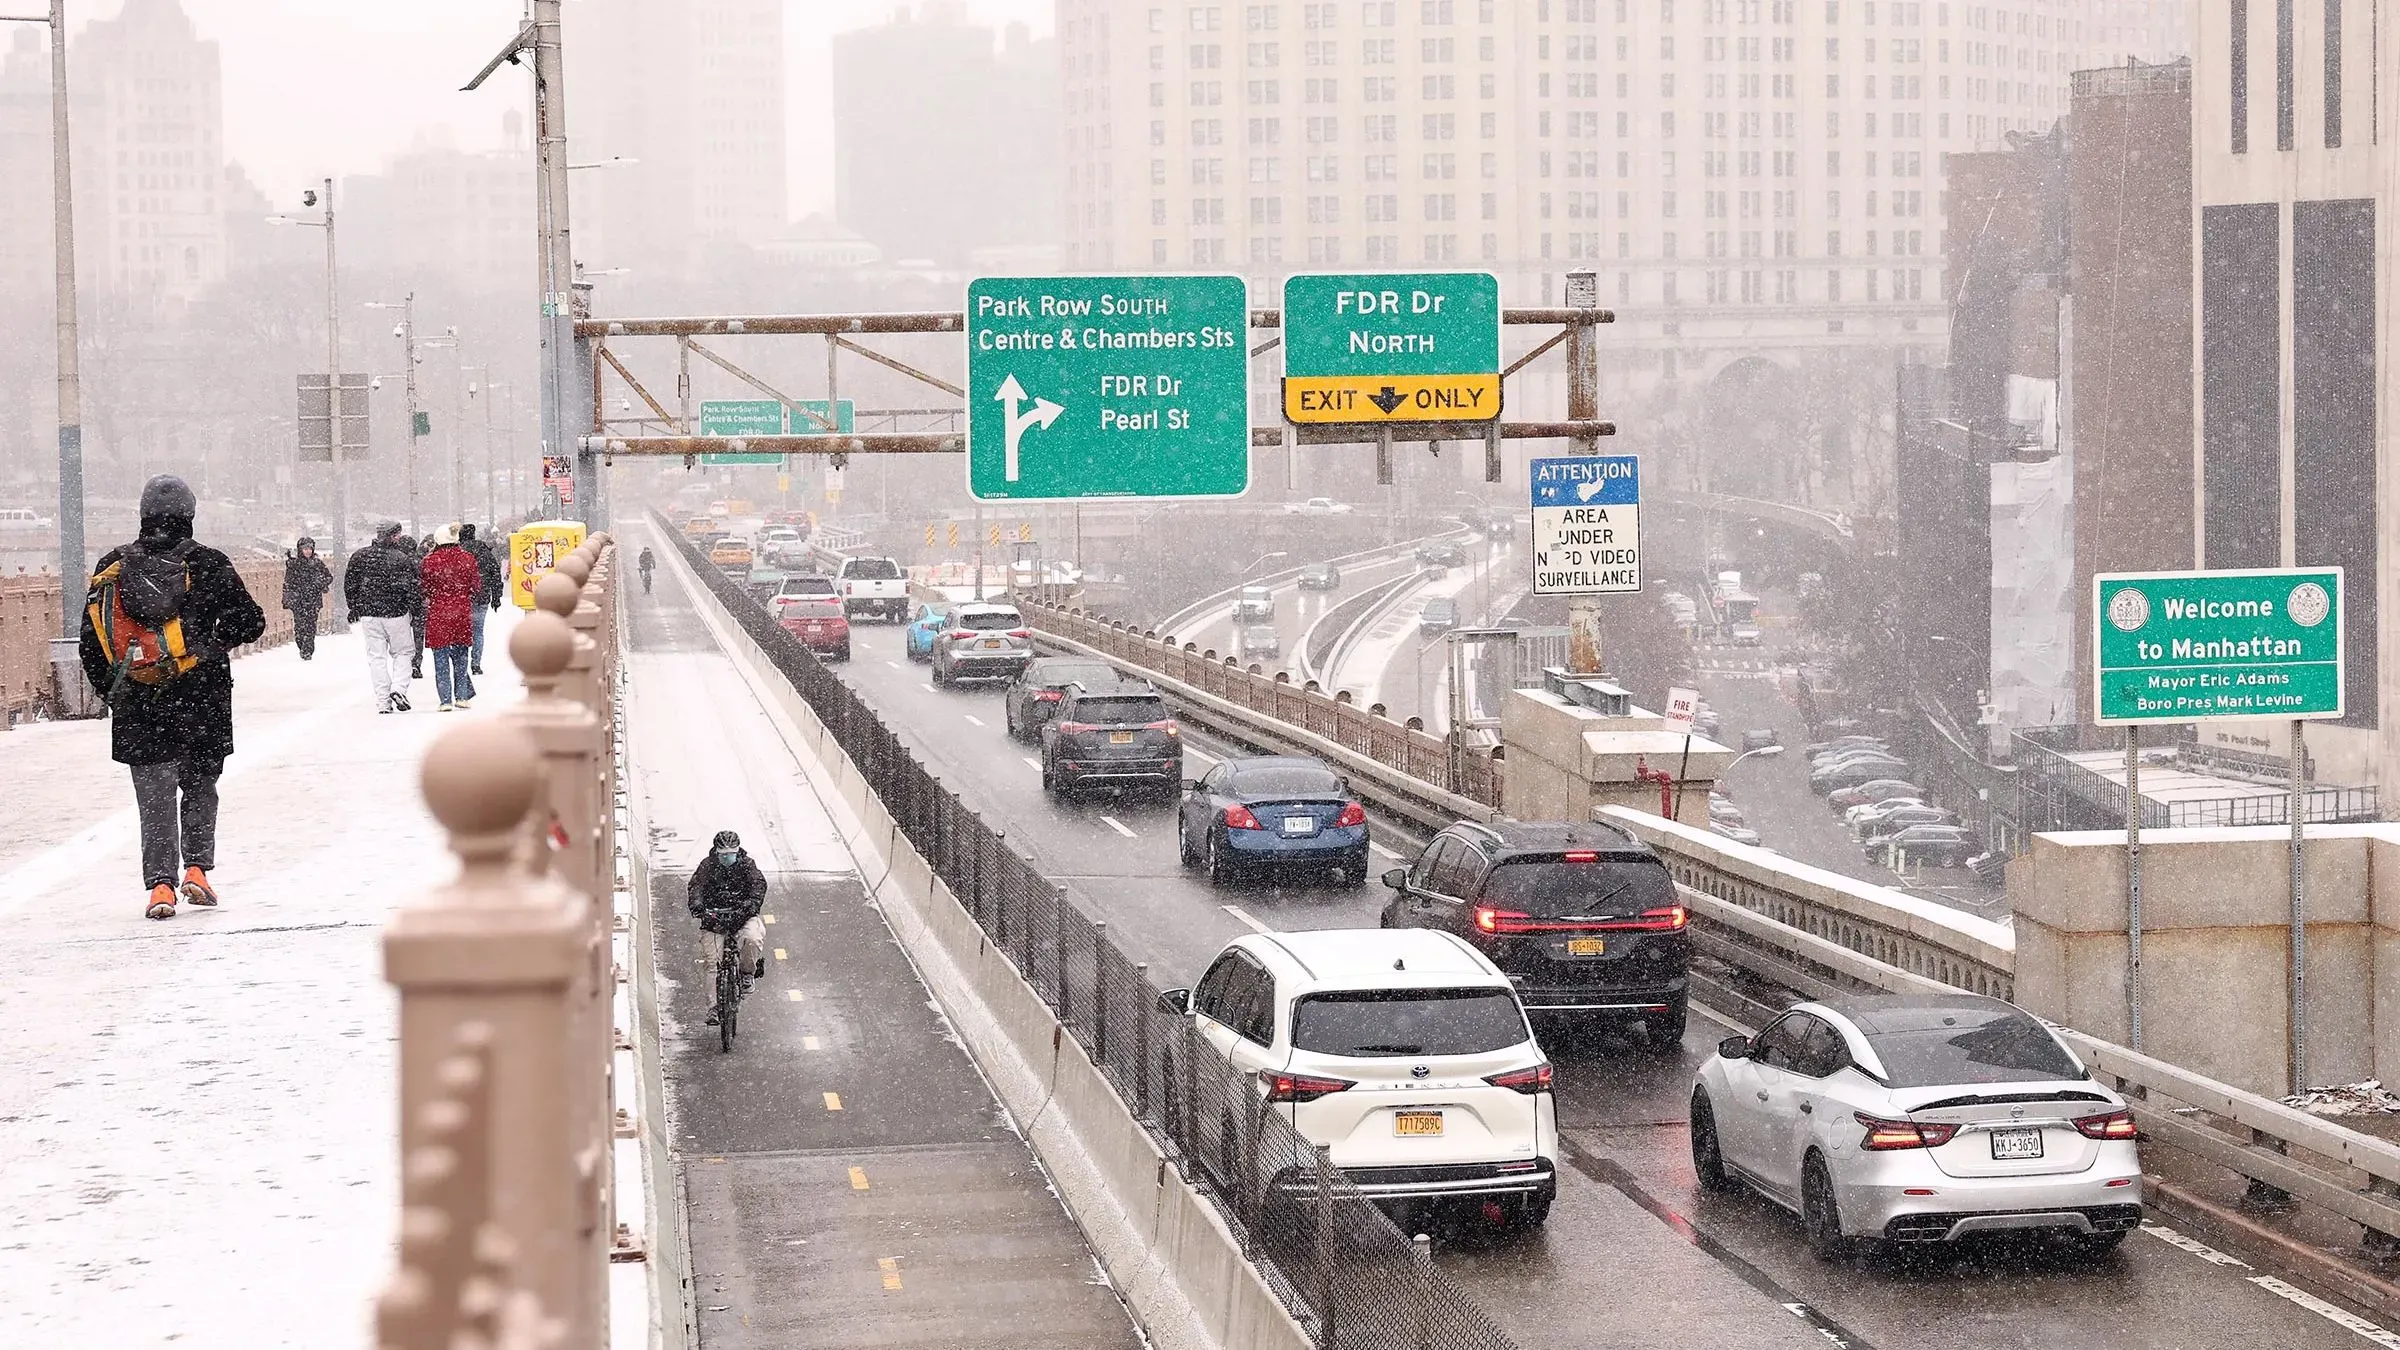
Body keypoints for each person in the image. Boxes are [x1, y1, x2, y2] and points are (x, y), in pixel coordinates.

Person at [79, 474, 267, 920]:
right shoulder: (208, 564)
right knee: (200, 787)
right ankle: (197, 871)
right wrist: (213, 642)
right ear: (190, 514)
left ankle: (160, 886)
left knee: (155, 799)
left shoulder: (114, 567)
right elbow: (252, 622)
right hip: (201, 699)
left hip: (140, 706)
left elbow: (91, 642)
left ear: (143, 515)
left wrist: (118, 691)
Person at [686, 830, 767, 1026]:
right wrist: (699, 907)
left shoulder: (748, 865)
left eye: (731, 853)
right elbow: (696, 887)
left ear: (738, 851)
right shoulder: (707, 866)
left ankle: (747, 973)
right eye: (723, 854)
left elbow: (758, 886)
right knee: (713, 962)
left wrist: (750, 905)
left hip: (742, 916)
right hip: (714, 919)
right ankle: (714, 1007)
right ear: (717, 852)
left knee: (753, 939)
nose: (727, 857)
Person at [344, 522, 422, 713]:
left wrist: (354, 606)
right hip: (396, 613)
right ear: (394, 536)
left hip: (369, 614)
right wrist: (416, 610)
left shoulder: (360, 556)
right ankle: (399, 688)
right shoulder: (402, 559)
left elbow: (350, 584)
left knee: (376, 658)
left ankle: (383, 701)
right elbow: (412, 588)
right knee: (403, 652)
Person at [420, 524, 482, 712]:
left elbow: (424, 587)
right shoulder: (468, 559)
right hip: (461, 612)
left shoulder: (429, 561)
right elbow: (475, 586)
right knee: (461, 656)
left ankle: (445, 700)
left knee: (440, 658)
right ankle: (461, 696)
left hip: (438, 613)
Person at [460, 524, 505, 675]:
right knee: (478, 631)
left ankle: (462, 662)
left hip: (463, 598)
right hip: (482, 597)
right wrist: (496, 597)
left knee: (463, 631)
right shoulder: (485, 552)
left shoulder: (459, 552)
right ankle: (476, 663)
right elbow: (495, 575)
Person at [280, 537, 332, 660]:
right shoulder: (294, 565)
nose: (308, 552)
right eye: (305, 549)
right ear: (300, 550)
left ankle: (307, 650)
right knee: (299, 626)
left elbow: (329, 577)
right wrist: (288, 598)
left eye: (310, 549)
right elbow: (288, 582)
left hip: (313, 600)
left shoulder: (317, 563)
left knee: (310, 625)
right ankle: (301, 645)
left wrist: (320, 584)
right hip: (298, 600)